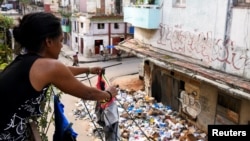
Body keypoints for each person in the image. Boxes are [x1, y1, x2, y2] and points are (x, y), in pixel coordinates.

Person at [0, 12, 117, 141]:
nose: (62, 46)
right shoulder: (47, 66)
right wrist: (109, 94)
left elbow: (63, 72)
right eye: (61, 40)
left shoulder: (26, 61)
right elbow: (88, 93)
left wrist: (88, 69)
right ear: (48, 41)